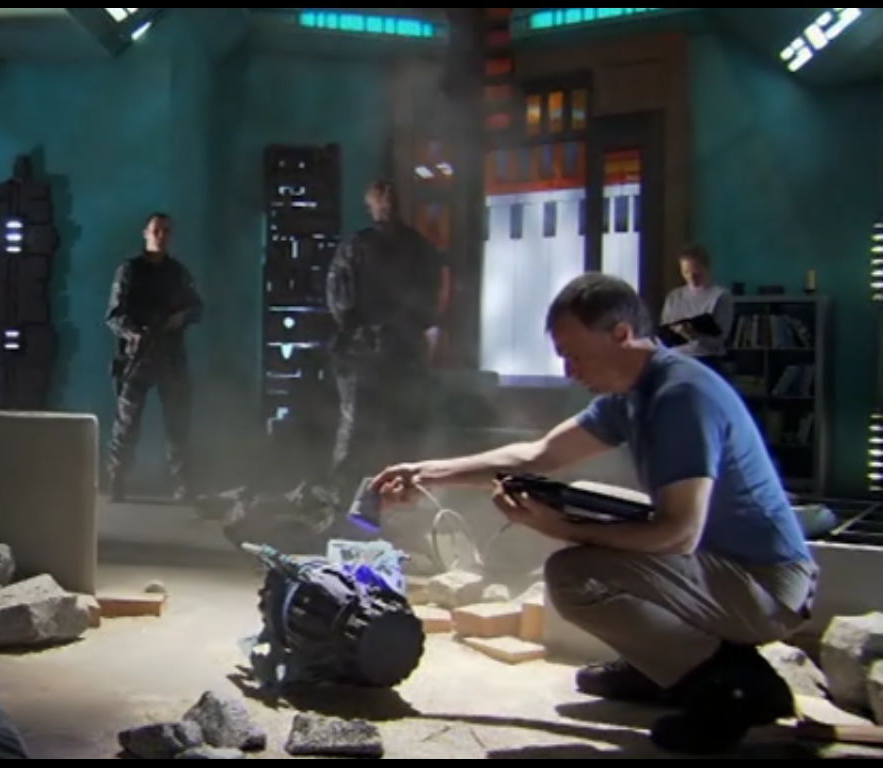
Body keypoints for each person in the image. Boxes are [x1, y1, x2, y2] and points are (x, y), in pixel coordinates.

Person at [371, 273, 815, 755]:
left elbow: (678, 534)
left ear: (621, 334)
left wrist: (562, 528)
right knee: (589, 505)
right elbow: (538, 456)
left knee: (574, 574)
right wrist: (426, 472)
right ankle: (666, 667)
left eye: (576, 355)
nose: (569, 371)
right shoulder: (632, 395)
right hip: (721, 568)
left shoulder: (679, 396)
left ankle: (735, 685)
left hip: (766, 586)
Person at [326, 179, 444, 491]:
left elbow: (429, 301)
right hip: (364, 352)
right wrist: (364, 334)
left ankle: (402, 494)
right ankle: (343, 496)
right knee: (358, 429)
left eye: (392, 196)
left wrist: (403, 329)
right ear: (371, 205)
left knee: (405, 429)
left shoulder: (418, 248)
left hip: (401, 351)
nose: (388, 202)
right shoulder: (356, 248)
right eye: (381, 197)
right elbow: (340, 300)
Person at [105, 212, 203, 502]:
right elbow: (114, 315)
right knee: (126, 425)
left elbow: (197, 308)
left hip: (170, 356)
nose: (160, 237)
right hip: (137, 357)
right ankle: (117, 479)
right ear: (145, 233)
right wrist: (135, 334)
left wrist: (180, 317)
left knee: (177, 425)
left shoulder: (177, 273)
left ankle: (183, 483)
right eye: (156, 231)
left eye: (165, 232)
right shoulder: (130, 271)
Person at [660, 245, 734, 369]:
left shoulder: (720, 296)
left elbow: (720, 340)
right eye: (686, 272)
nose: (691, 277)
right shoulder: (674, 297)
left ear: (706, 268)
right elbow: (665, 332)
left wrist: (693, 335)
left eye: (696, 272)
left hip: (706, 358)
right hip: (676, 358)